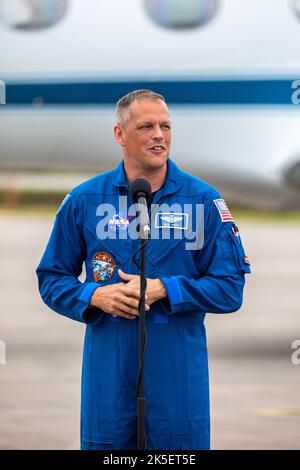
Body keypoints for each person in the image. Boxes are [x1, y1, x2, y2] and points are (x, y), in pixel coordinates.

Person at [36, 89, 251, 450]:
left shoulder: (203, 201)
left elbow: (230, 288)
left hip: (178, 377)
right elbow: (51, 278)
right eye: (146, 126)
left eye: (166, 126)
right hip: (108, 375)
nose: (159, 135)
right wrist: (94, 295)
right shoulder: (85, 200)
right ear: (120, 134)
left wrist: (166, 289)